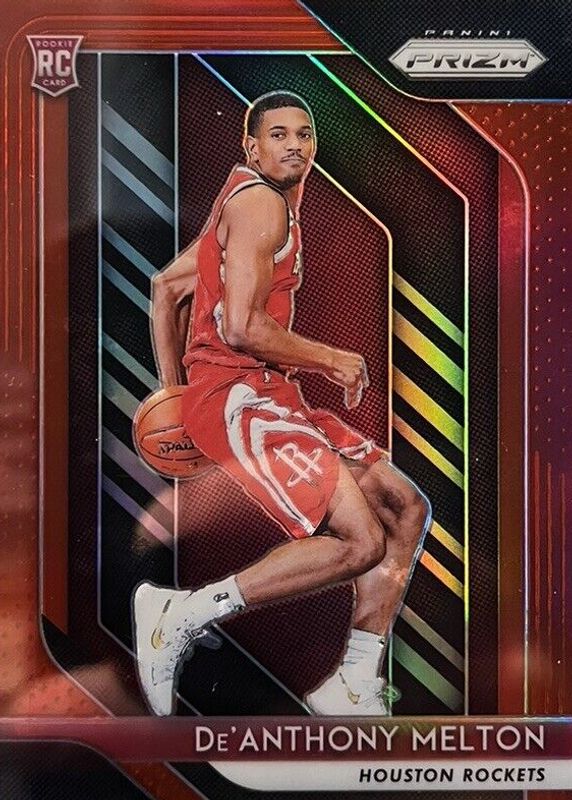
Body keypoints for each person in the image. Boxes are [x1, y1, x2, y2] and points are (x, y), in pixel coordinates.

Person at [133, 91, 431, 717]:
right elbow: (242, 328)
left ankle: (351, 682)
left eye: (304, 133)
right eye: (278, 134)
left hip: (262, 392)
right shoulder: (260, 204)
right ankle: (180, 613)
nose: (294, 145)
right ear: (252, 147)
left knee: (404, 507)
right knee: (360, 543)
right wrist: (332, 358)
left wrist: (174, 395)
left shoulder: (255, 201)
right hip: (240, 395)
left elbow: (167, 287)